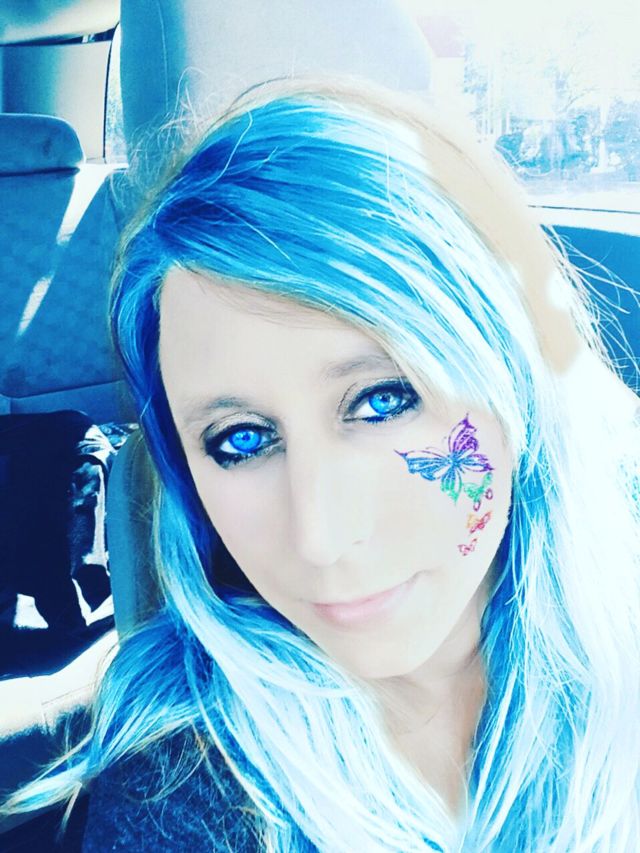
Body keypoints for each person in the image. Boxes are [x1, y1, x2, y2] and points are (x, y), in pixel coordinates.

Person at [3, 78, 639, 852]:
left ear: (510, 374)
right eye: (240, 440)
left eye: (383, 400)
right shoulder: (184, 785)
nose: (321, 537)